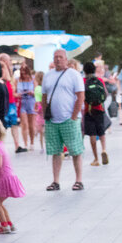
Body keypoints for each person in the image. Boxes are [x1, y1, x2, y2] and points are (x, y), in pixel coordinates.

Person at [41, 48, 86, 191]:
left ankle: (78, 180)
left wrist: (74, 116)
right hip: (52, 121)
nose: (58, 59)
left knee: (75, 150)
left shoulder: (74, 75)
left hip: (69, 119)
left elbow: (80, 96)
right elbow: (44, 97)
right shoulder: (48, 76)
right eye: (55, 57)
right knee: (55, 151)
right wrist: (45, 115)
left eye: (60, 57)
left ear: (66, 59)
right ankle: (55, 181)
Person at [82, 61, 110, 167]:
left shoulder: (83, 81)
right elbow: (105, 94)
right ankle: (103, 149)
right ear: (94, 70)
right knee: (101, 132)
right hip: (99, 109)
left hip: (88, 110)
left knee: (92, 135)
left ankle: (96, 158)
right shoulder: (99, 80)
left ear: (84, 71)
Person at [16, 65, 38, 151]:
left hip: (31, 102)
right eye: (22, 73)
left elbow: (37, 92)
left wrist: (32, 92)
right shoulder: (18, 80)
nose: (24, 75)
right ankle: (25, 143)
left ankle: (32, 142)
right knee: (24, 124)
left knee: (31, 124)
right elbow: (15, 91)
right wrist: (19, 94)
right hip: (22, 102)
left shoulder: (33, 80)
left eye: (25, 73)